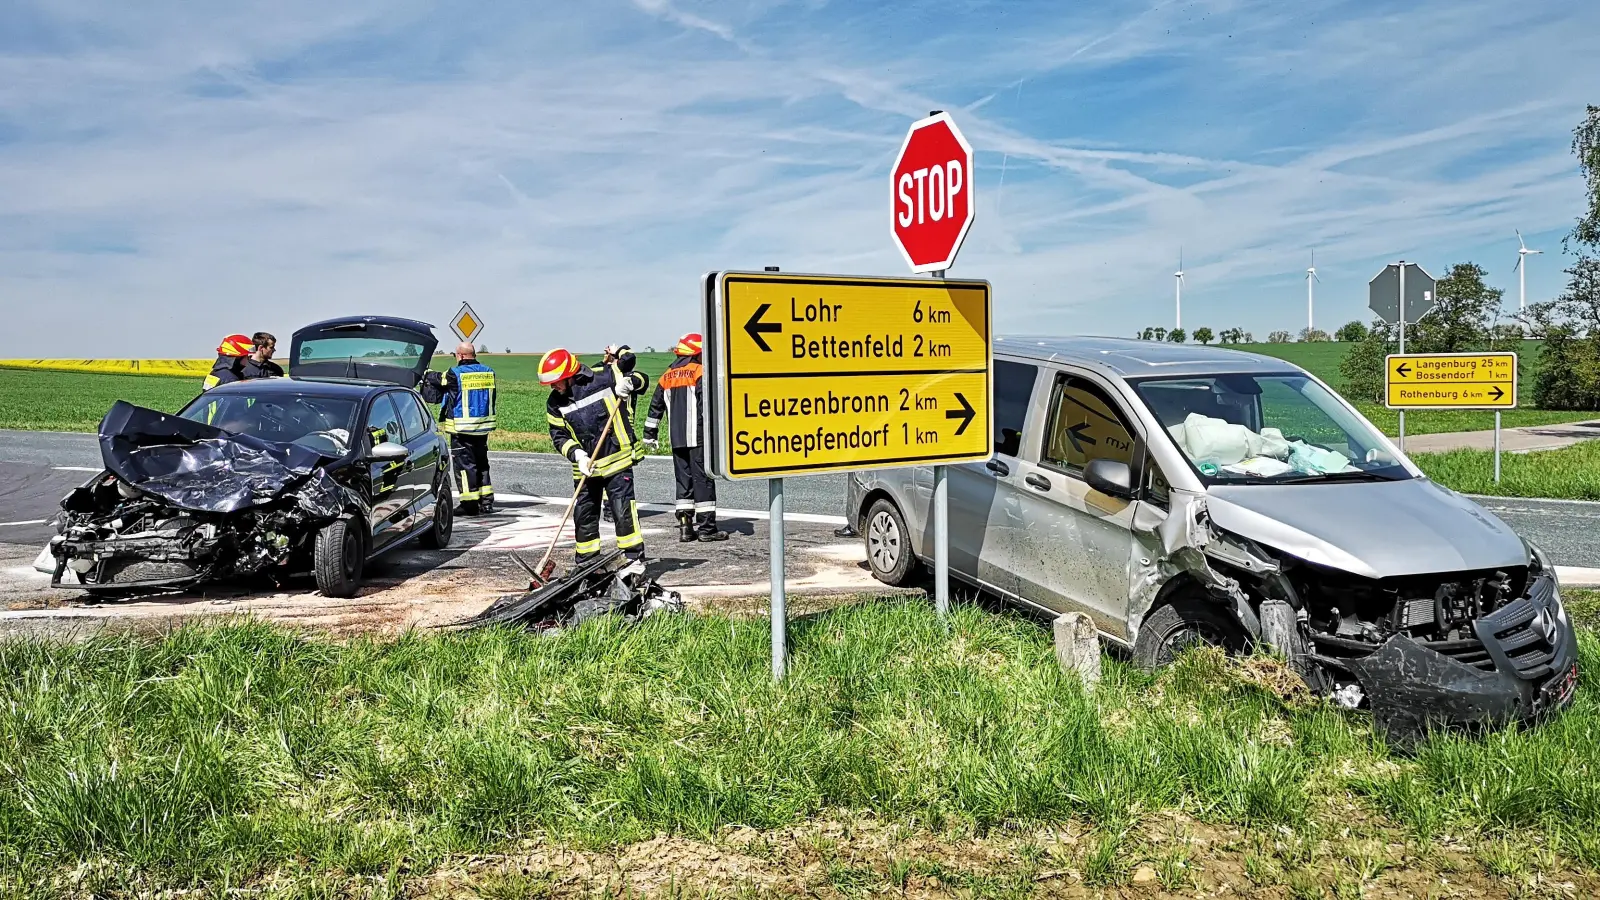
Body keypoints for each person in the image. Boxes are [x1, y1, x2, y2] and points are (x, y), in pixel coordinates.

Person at [541, 345, 647, 574]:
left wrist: (630, 383)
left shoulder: (604, 377)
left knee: (623, 511)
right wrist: (577, 455)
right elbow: (559, 436)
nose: (553, 386)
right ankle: (587, 563)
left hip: (617, 461)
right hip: (586, 468)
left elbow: (638, 374)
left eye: (557, 381)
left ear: (570, 375)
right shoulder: (554, 403)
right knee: (584, 515)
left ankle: (632, 561)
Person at [643, 332, 727, 543]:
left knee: (684, 482)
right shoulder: (699, 371)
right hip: (697, 437)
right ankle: (707, 528)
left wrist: (650, 435)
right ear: (697, 353)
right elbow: (705, 405)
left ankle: (685, 527)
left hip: (676, 439)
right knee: (703, 480)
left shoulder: (666, 375)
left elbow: (655, 407)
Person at [438, 342, 498, 516]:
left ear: (461, 355)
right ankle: (486, 502)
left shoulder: (454, 373)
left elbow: (439, 381)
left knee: (465, 467)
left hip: (462, 430)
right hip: (482, 428)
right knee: (482, 464)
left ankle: (469, 504)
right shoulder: (489, 372)